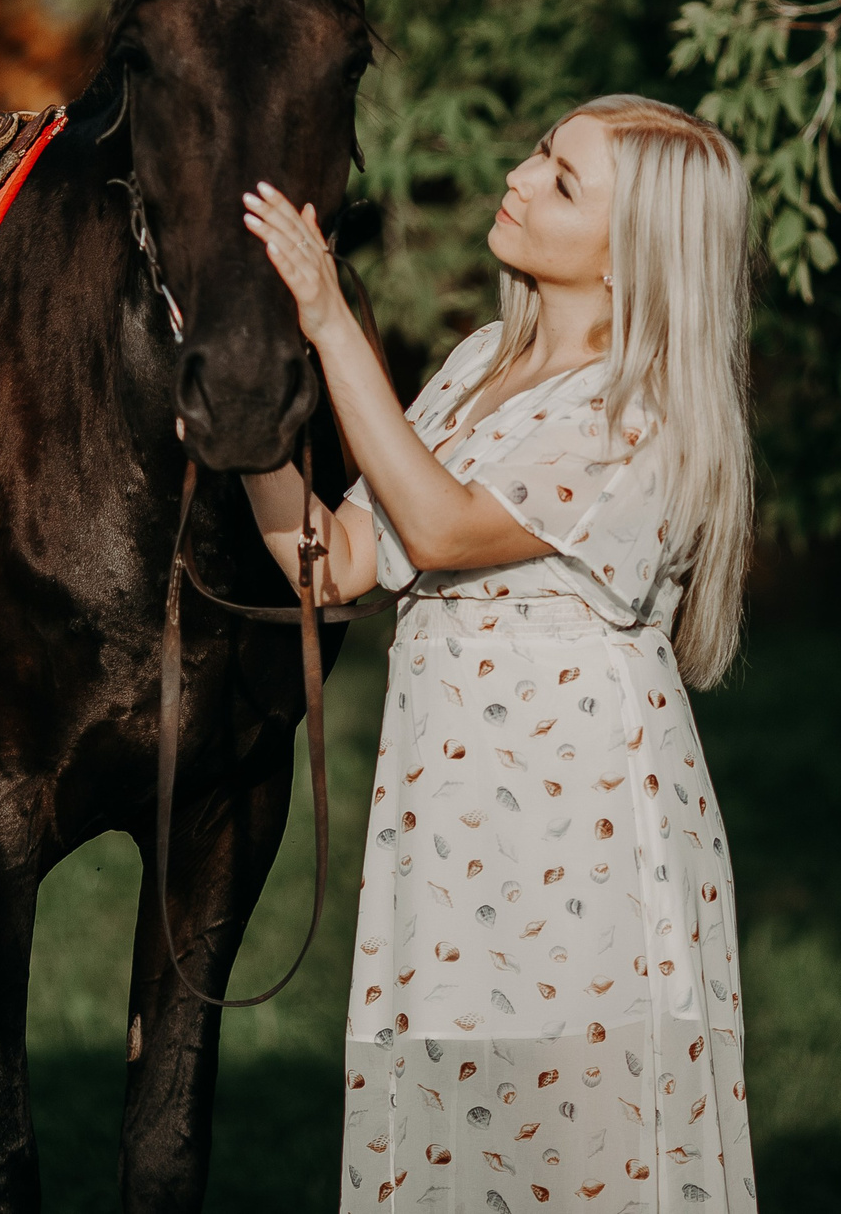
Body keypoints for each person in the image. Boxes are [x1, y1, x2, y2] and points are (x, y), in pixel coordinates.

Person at [239, 94, 760, 1213]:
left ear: (632, 261)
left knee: (573, 1141)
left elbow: (435, 529)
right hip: (451, 813)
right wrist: (241, 423)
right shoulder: (480, 363)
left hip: (571, 823)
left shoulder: (644, 407)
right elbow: (332, 565)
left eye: (562, 180)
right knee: (458, 1128)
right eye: (539, 152)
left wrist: (333, 321)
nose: (519, 178)